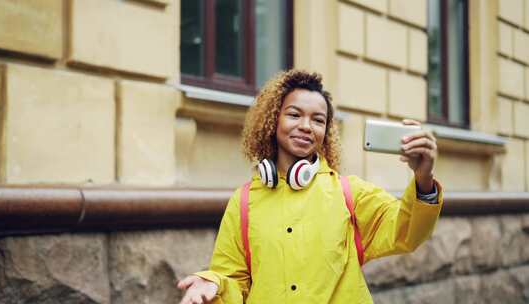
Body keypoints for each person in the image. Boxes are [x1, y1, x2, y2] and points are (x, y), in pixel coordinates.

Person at [177, 70, 442, 304]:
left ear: (326, 131)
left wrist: (423, 178)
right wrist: (214, 284)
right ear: (273, 120)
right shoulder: (244, 201)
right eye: (294, 115)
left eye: (318, 120)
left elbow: (406, 232)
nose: (306, 126)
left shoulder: (350, 193)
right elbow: (232, 279)